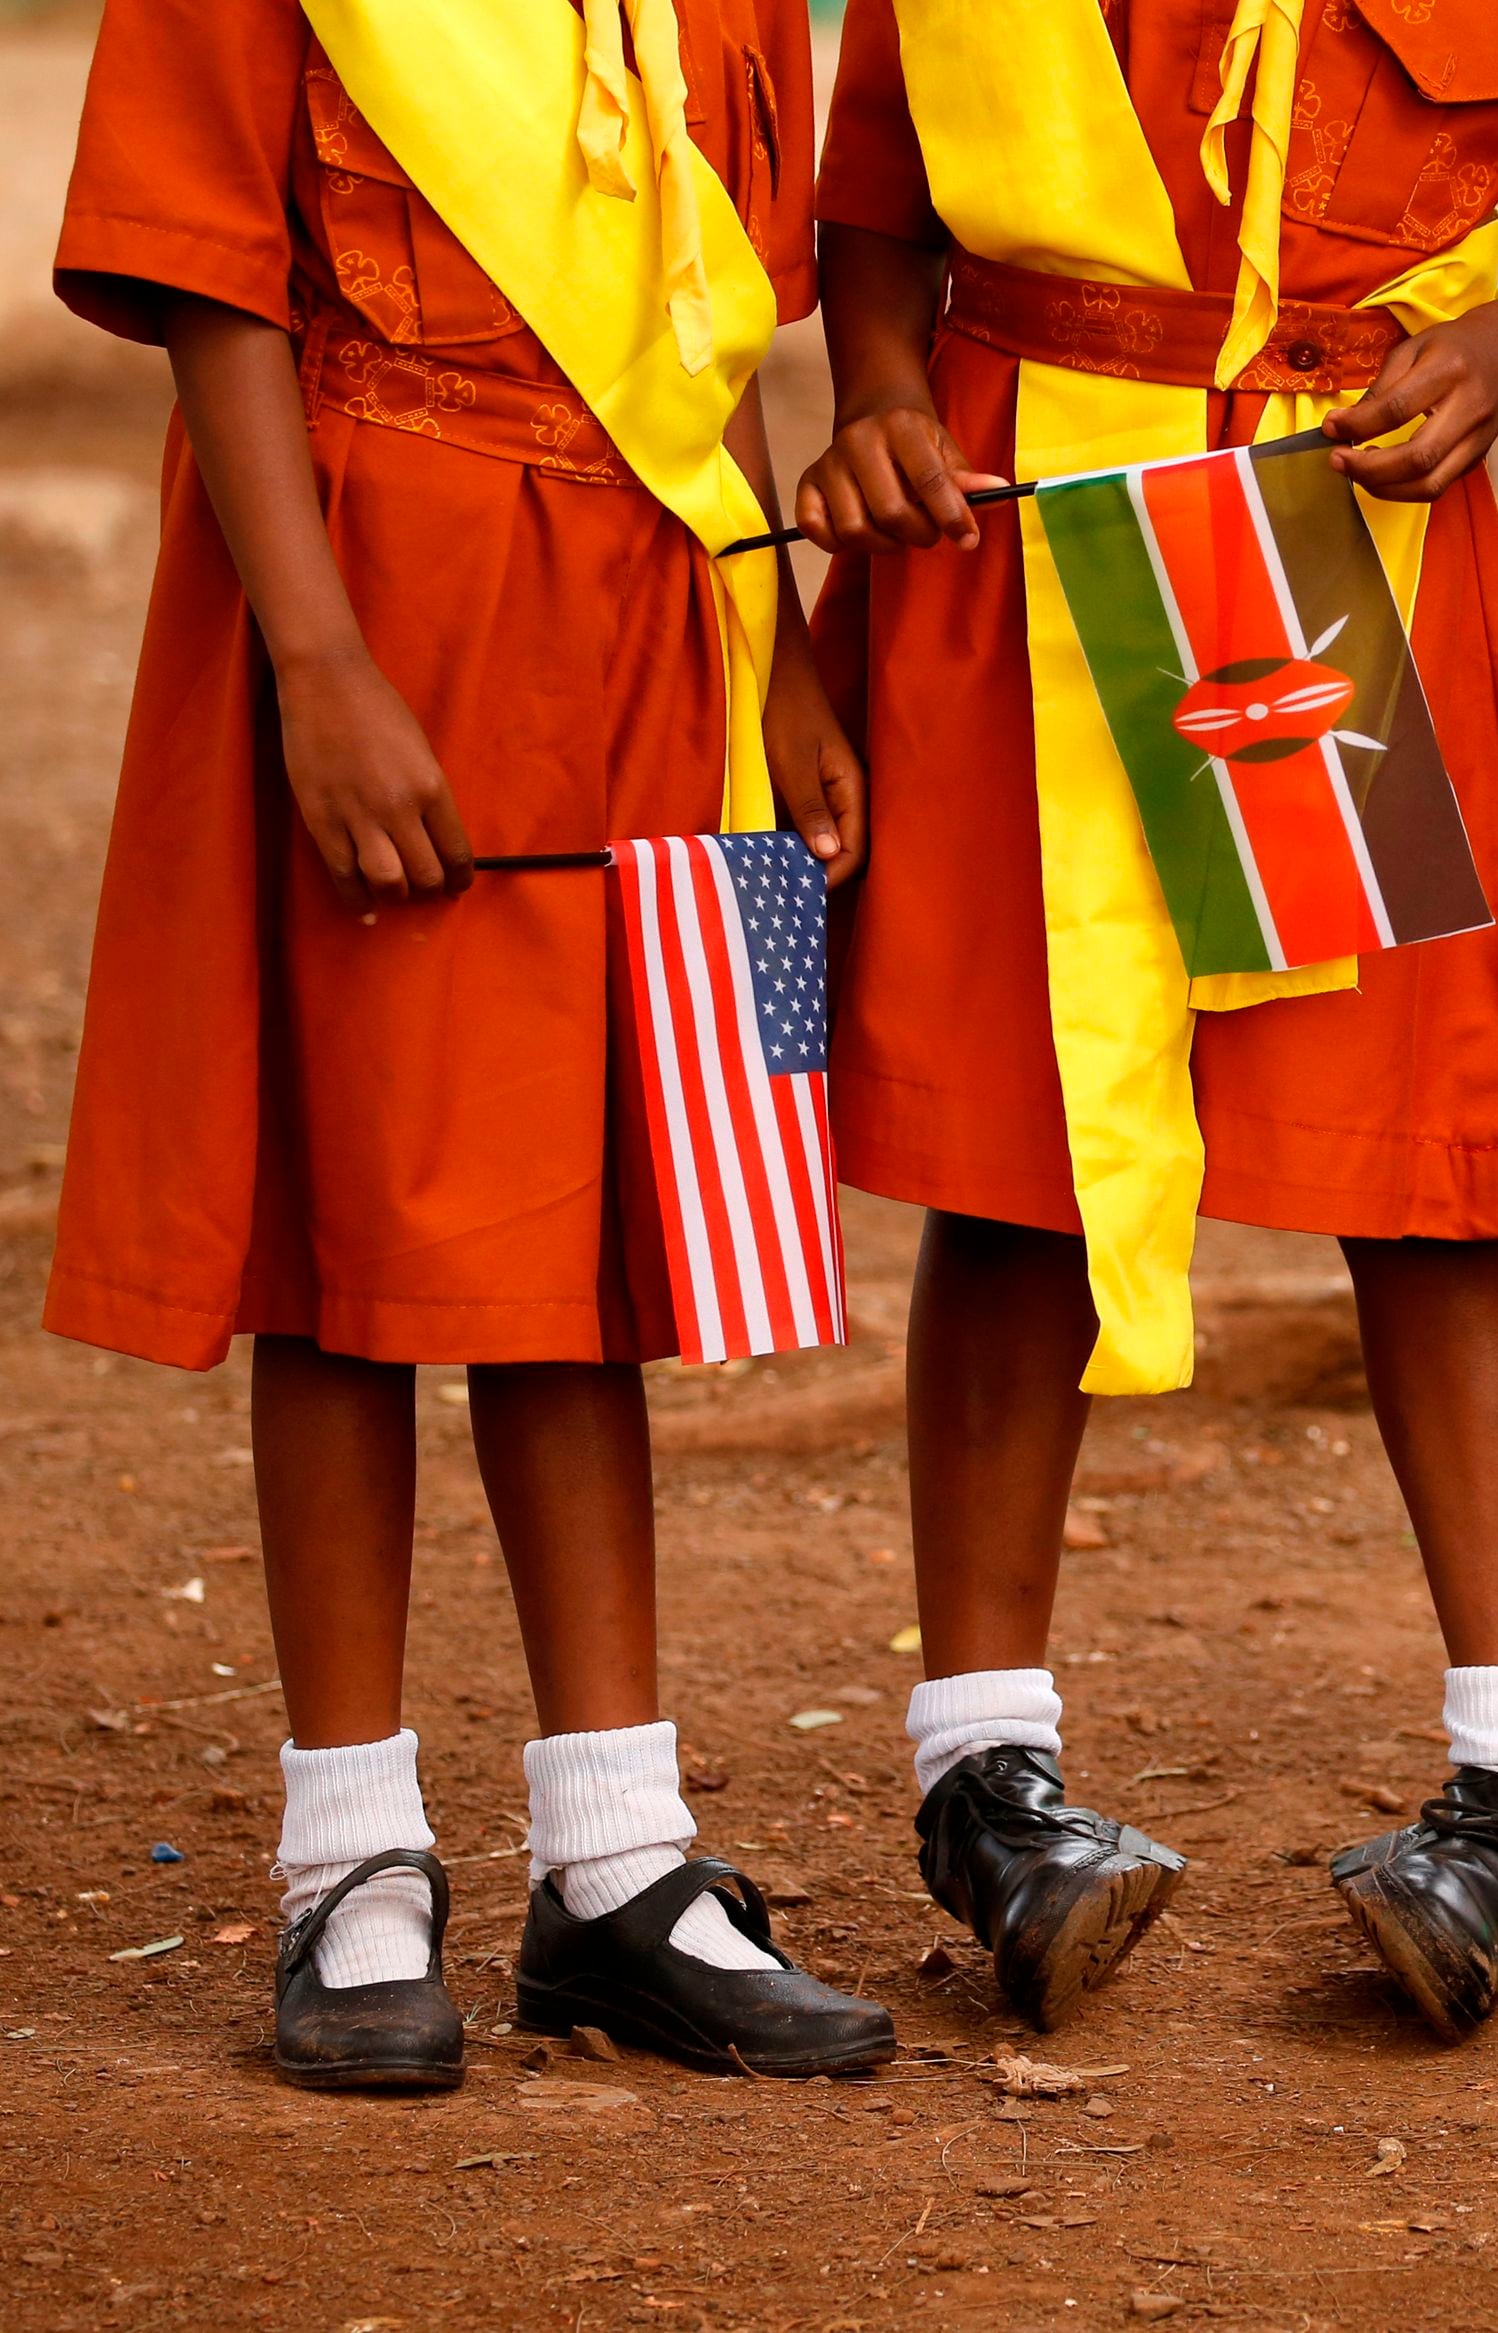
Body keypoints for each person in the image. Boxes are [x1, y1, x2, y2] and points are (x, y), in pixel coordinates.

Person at [793, 0, 1498, 2040]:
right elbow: (878, 198)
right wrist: (873, 390)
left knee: (1430, 1162)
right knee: (1024, 1158)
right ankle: (985, 1777)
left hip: (1331, 532)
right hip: (1017, 517)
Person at [46, 0, 893, 2088]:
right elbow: (214, 287)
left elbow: (698, 333)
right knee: (350, 1242)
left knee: (600, 1229)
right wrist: (316, 662)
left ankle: (617, 1858)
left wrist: (778, 637)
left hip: (652, 609)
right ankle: (353, 1851)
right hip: (378, 589)